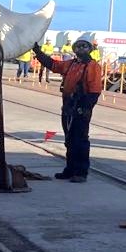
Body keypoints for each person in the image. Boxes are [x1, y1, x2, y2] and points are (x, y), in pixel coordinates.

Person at [32, 37, 104, 182]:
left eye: (84, 47)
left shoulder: (92, 66)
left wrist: (85, 107)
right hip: (68, 104)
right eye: (79, 47)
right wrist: (38, 52)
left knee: (81, 139)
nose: (81, 49)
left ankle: (81, 172)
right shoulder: (71, 64)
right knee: (69, 138)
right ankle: (70, 169)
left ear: (89, 49)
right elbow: (53, 64)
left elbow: (95, 90)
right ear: (74, 50)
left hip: (81, 104)